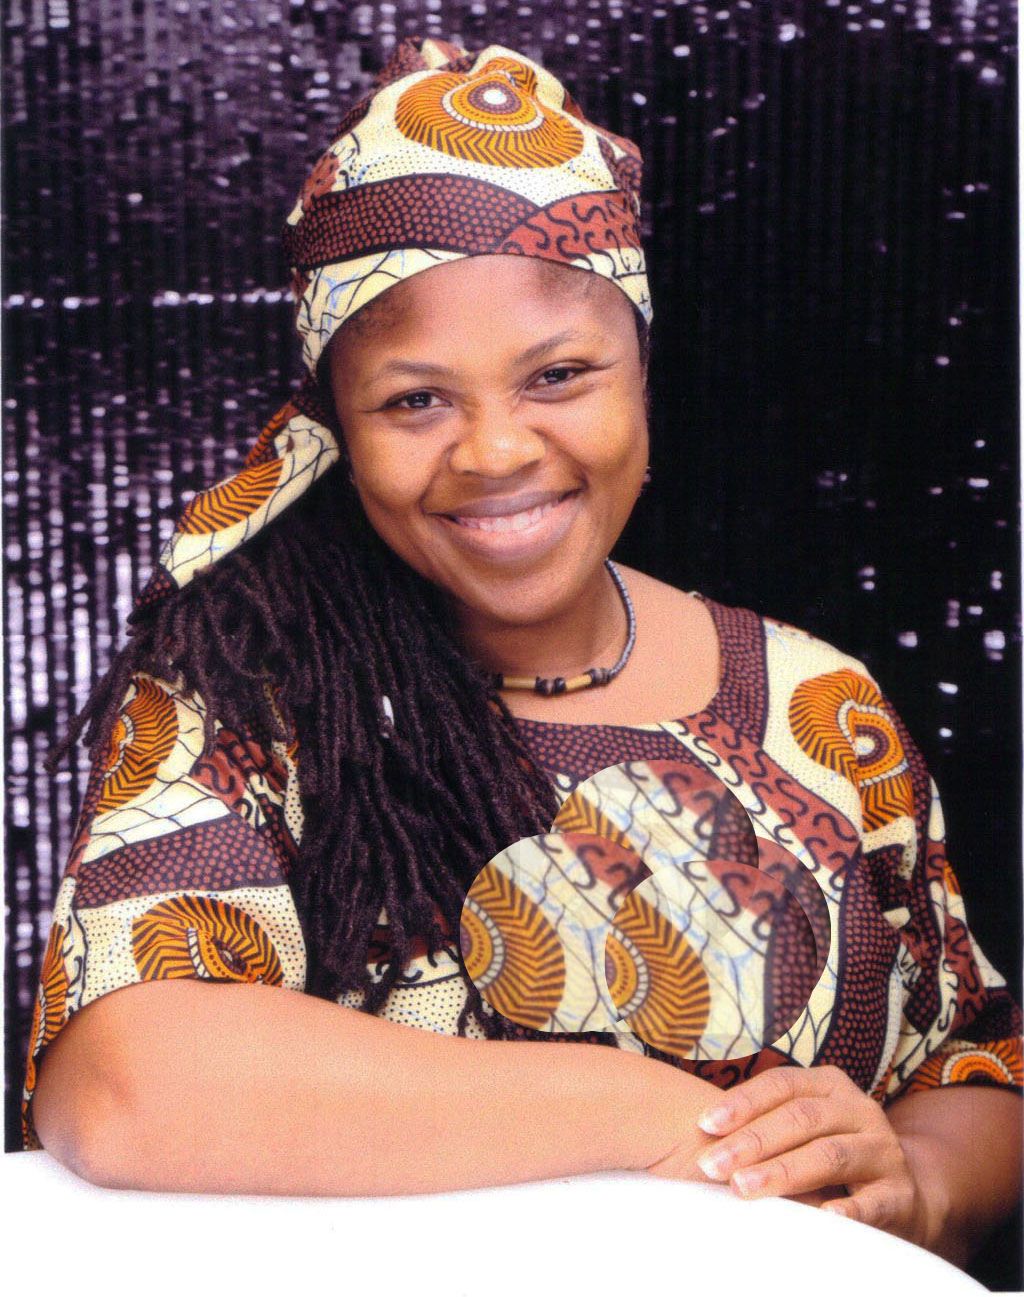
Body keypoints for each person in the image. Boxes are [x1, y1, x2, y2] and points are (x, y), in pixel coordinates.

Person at [25, 36, 1021, 1266]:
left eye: (557, 375)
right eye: (415, 399)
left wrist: (915, 1189)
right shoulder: (255, 692)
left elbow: (974, 1060)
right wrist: (653, 1120)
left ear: (641, 372)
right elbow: (126, 1079)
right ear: (337, 425)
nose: (495, 449)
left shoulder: (818, 706)